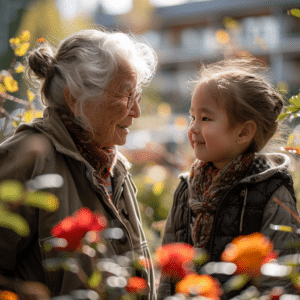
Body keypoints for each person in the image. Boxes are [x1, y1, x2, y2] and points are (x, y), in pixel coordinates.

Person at [0, 28, 157, 299]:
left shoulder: (112, 165)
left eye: (137, 95)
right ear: (74, 98)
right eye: (126, 95)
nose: (137, 111)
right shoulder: (27, 158)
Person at [157, 59, 300, 299]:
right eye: (192, 117)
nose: (192, 128)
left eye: (205, 119)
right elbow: (168, 272)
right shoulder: (186, 188)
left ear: (243, 132)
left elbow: (282, 276)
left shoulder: (271, 190)